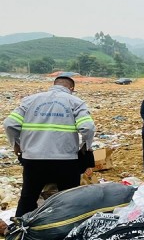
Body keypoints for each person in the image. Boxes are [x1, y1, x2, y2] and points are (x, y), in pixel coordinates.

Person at [3, 73, 95, 217]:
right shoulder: (75, 102)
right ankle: (68, 230)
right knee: (70, 199)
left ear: (54, 85)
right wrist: (85, 145)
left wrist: (16, 144)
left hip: (33, 159)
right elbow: (88, 127)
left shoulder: (30, 101)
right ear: (71, 88)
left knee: (28, 198)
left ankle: (18, 231)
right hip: (66, 160)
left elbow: (9, 124)